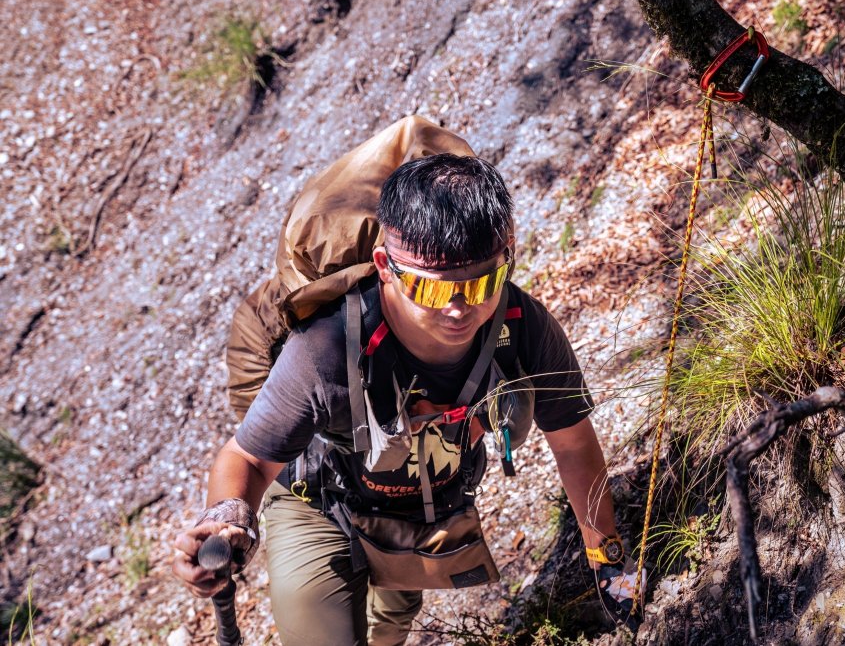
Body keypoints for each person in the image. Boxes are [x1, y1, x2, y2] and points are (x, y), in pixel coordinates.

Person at [172, 151, 642, 644]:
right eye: (434, 290)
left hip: (421, 501)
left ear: (508, 256)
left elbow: (572, 444)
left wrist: (607, 560)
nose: (461, 309)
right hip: (319, 501)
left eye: (484, 283)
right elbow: (246, 457)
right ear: (386, 267)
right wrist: (226, 519)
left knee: (390, 628)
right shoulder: (327, 349)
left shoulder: (522, 325)